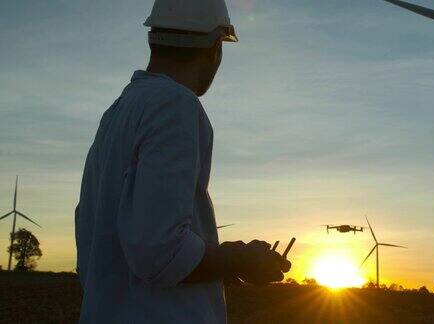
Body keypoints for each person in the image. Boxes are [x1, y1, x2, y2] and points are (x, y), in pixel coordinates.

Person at [74, 0, 291, 322]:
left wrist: (224, 256)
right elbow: (160, 251)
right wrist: (240, 259)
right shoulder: (175, 105)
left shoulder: (119, 110)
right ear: (215, 46)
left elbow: (101, 236)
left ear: (154, 38)